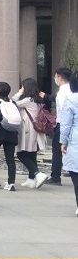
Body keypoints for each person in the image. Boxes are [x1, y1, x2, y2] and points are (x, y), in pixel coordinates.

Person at [13, 78, 49, 188]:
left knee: (21, 154)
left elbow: (13, 103)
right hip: (36, 129)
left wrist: (18, 93)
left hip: (28, 130)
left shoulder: (28, 100)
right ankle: (31, 179)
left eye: (23, 86)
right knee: (32, 154)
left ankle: (37, 174)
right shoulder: (39, 99)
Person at [42, 67, 72, 185]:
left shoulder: (62, 91)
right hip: (72, 124)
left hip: (63, 124)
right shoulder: (72, 89)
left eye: (56, 76)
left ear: (60, 77)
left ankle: (55, 177)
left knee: (57, 151)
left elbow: (64, 110)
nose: (55, 79)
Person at [59, 71, 78, 216]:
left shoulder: (71, 99)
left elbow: (66, 124)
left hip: (75, 140)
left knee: (76, 173)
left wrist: (63, 141)